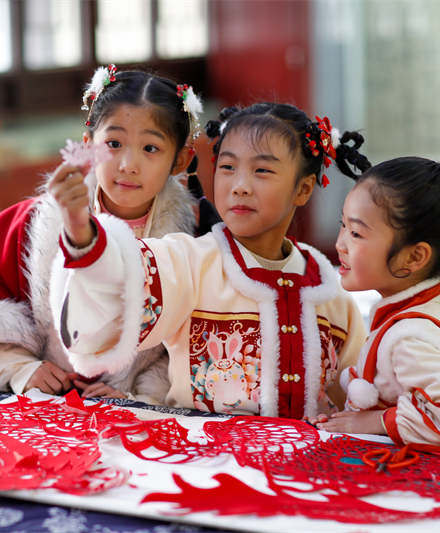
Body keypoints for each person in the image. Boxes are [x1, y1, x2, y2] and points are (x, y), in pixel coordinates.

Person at [0, 66, 213, 401]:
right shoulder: (27, 226)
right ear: (88, 144)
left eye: (150, 148)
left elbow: (197, 350)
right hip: (38, 407)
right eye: (113, 143)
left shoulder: (196, 236)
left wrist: (142, 395)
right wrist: (18, 368)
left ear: (181, 159)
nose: (128, 164)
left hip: (136, 419)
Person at [50, 102, 371, 419]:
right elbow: (125, 276)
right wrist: (82, 232)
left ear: (302, 189)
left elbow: (356, 398)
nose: (240, 186)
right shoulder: (191, 262)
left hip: (304, 467)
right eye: (228, 167)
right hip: (204, 462)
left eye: (262, 170)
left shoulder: (332, 295)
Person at [316, 139, 440, 457]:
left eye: (356, 233)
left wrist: (376, 420)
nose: (340, 244)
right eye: (343, 226)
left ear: (414, 257)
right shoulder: (408, 310)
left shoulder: (413, 336)